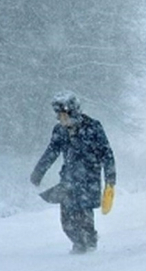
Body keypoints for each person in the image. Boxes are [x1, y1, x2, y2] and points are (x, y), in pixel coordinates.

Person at [30, 91, 116, 254]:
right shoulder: (59, 131)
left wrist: (110, 180)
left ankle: (89, 244)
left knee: (84, 215)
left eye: (64, 115)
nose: (61, 119)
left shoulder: (93, 127)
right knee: (67, 219)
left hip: (89, 180)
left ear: (74, 112)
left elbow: (107, 154)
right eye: (59, 116)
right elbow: (51, 152)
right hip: (68, 180)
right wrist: (38, 172)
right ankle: (78, 243)